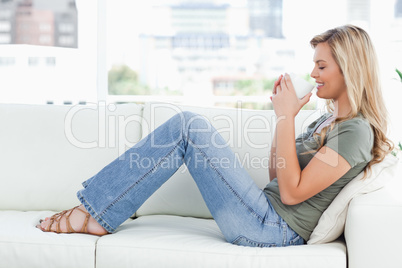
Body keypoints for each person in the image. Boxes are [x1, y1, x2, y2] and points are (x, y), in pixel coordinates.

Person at [37, 25, 393, 247]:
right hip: (263, 212)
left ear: (349, 69)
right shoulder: (328, 121)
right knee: (188, 126)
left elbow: (291, 192)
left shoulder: (355, 132)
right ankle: (98, 211)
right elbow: (277, 176)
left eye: (321, 65)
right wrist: (283, 119)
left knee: (189, 126)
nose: (312, 73)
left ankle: (98, 214)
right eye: (313, 64)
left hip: (271, 229)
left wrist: (286, 118)